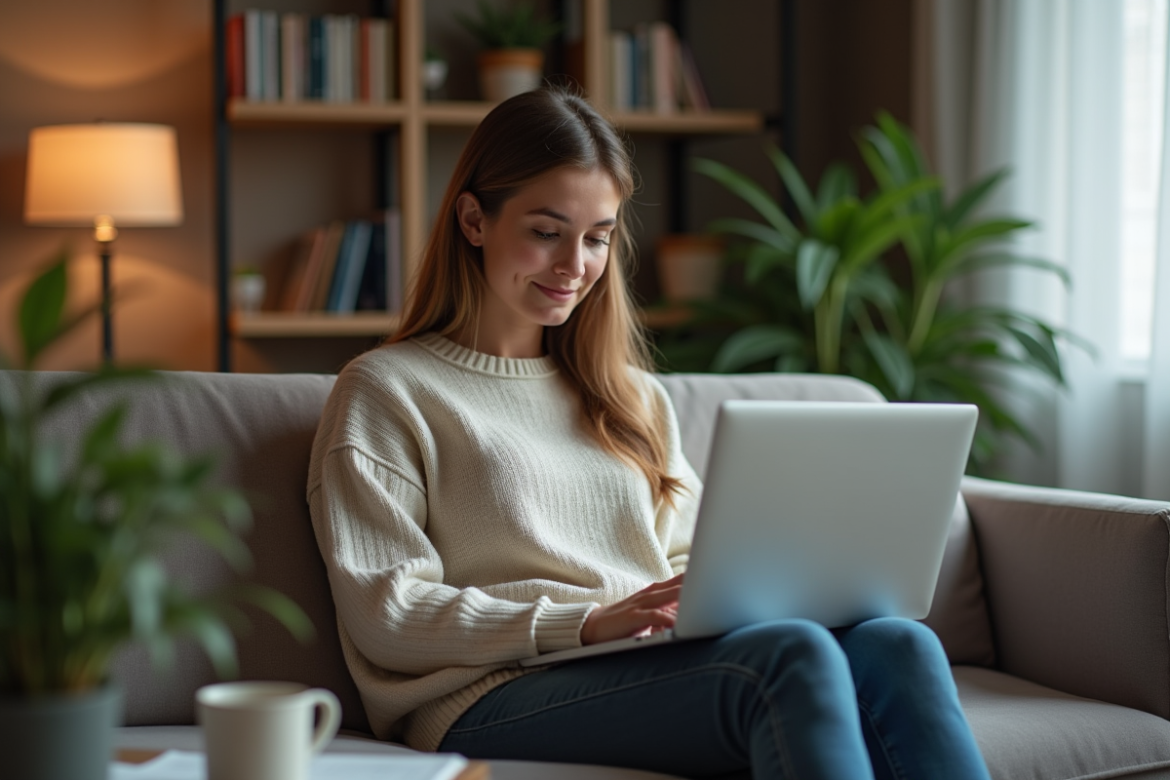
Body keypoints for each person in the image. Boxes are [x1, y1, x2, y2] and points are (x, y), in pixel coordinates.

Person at [307, 87, 991, 780]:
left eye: (597, 237)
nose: (575, 266)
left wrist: (739, 591)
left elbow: (689, 560)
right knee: (792, 658)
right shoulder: (387, 390)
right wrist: (584, 621)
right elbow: (386, 612)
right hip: (486, 693)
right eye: (547, 231)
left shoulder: (630, 396)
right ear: (474, 220)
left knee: (897, 643)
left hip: (637, 660)